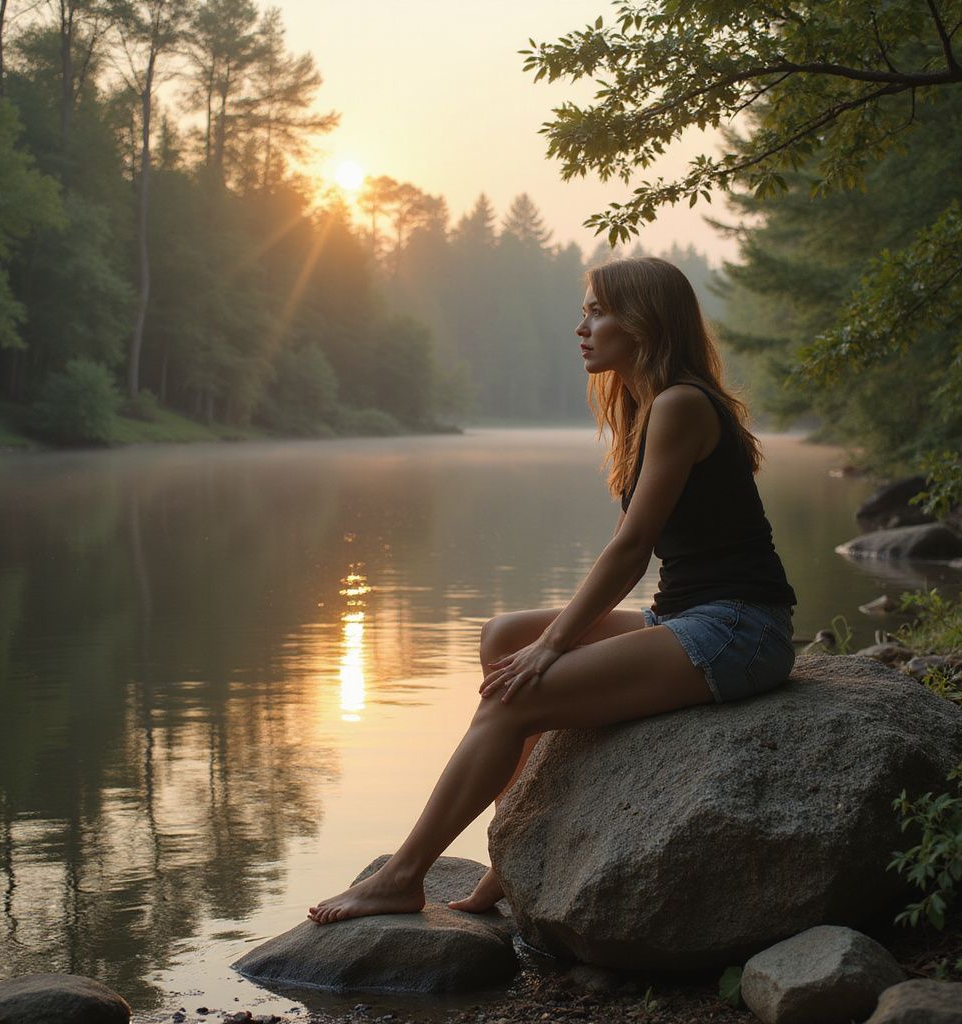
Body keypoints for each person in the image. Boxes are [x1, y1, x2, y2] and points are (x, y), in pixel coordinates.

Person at [308, 256, 797, 925]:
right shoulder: (648, 404)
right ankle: (514, 854)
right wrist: (538, 643)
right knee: (503, 637)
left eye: (598, 310)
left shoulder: (681, 404)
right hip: (690, 614)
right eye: (586, 309)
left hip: (740, 628)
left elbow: (630, 551)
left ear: (645, 322)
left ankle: (402, 876)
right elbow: (636, 547)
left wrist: (555, 647)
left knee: (518, 694)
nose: (582, 326)